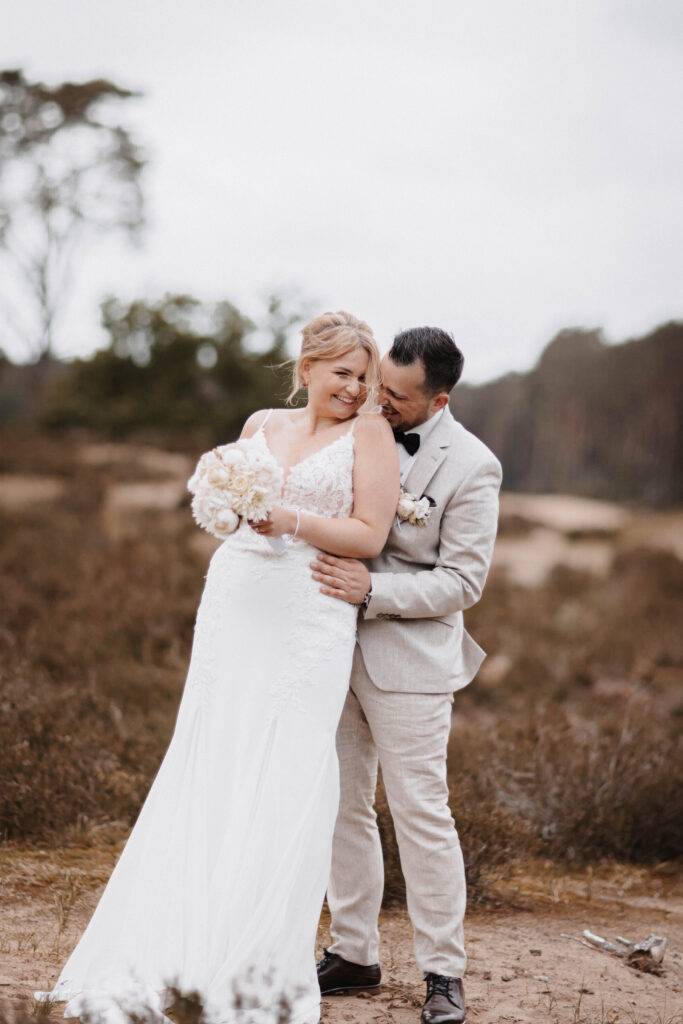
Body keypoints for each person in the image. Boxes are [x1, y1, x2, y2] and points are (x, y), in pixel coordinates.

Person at [37, 311, 399, 1024]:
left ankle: (257, 955)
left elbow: (369, 533)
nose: (355, 389)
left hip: (310, 613)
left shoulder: (370, 436)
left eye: (365, 378)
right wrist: (234, 510)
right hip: (236, 603)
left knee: (288, 763)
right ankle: (182, 938)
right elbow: (227, 512)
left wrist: (288, 518)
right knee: (216, 754)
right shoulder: (260, 423)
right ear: (306, 369)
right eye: (343, 375)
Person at [312, 327, 502, 1024]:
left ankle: (443, 974)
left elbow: (462, 582)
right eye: (378, 384)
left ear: (439, 398)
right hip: (329, 650)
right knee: (342, 803)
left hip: (411, 665)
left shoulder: (474, 466)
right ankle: (353, 952)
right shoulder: (357, 425)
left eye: (395, 395)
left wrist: (372, 592)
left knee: (422, 814)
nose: (376, 401)